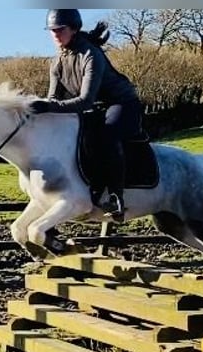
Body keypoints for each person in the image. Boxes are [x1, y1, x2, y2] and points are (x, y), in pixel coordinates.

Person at [28, 8, 144, 220]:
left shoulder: (91, 55)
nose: (55, 33)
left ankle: (117, 198)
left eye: (60, 29)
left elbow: (85, 101)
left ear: (73, 29)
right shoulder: (56, 62)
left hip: (121, 104)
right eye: (52, 30)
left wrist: (48, 107)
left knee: (108, 135)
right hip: (94, 110)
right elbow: (54, 100)